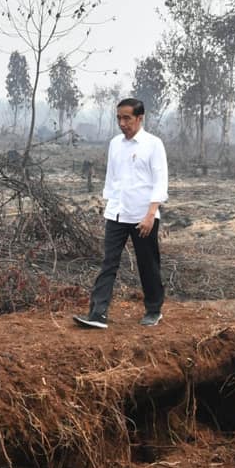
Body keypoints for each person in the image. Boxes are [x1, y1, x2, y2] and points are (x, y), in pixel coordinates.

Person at [74, 98, 168, 329]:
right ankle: (97, 314)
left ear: (139, 118)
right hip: (116, 214)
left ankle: (153, 310)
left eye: (127, 118)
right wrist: (109, 206)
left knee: (148, 264)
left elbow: (160, 182)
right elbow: (112, 178)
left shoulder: (153, 144)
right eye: (119, 118)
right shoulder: (115, 143)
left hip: (142, 216)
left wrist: (150, 215)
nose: (122, 123)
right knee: (109, 263)